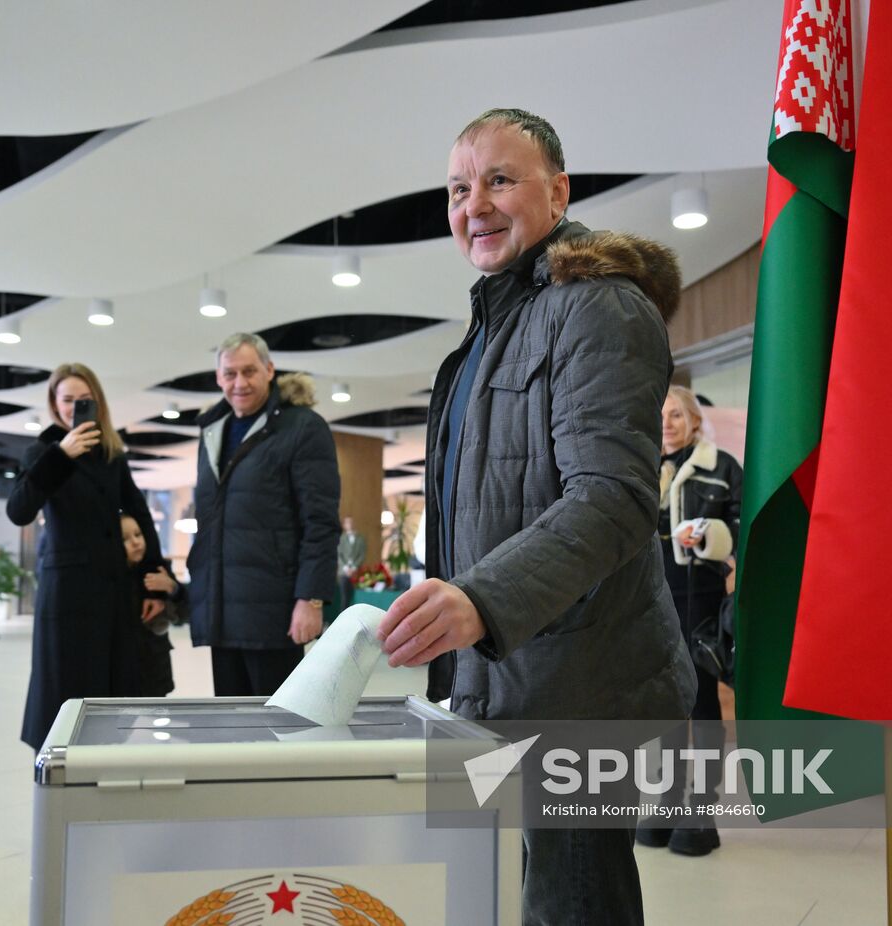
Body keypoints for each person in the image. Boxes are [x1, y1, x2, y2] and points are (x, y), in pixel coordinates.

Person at [377, 108, 695, 926]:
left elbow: (613, 499)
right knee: (548, 888)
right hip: (515, 671)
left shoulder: (599, 307)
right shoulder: (496, 325)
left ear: (558, 192)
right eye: (457, 188)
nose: (472, 204)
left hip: (586, 685)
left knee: (573, 900)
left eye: (498, 180)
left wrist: (482, 600)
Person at [7, 362, 163, 750]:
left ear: (98, 403)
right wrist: (61, 454)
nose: (75, 407)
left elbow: (140, 513)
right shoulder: (42, 451)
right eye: (68, 400)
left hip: (112, 590)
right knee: (63, 691)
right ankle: (61, 771)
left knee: (111, 692)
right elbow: (18, 511)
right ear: (54, 404)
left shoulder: (111, 454)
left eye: (84, 400)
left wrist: (153, 580)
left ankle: (103, 768)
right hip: (66, 594)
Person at [188, 332, 340, 697]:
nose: (239, 383)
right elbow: (210, 525)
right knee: (231, 732)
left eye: (249, 371)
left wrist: (311, 598)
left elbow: (320, 522)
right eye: (230, 374)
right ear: (218, 378)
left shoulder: (302, 427)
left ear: (269, 370)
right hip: (221, 612)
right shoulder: (212, 431)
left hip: (275, 613)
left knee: (278, 734)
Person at [636, 385, 743, 856]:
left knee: (700, 707)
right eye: (659, 415)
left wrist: (710, 533)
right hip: (649, 605)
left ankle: (701, 810)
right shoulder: (638, 469)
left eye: (676, 414)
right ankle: (665, 801)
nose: (667, 423)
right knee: (663, 707)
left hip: (698, 603)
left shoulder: (721, 467)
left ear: (694, 420)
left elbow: (743, 528)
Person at [121, 513, 184, 698]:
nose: (135, 542)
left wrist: (171, 588)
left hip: (155, 668)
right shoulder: (111, 582)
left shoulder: (157, 571)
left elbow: (184, 613)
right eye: (125, 539)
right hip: (125, 670)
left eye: (138, 534)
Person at [337, 516, 367, 610]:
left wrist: (354, 568)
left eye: (351, 522)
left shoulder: (360, 539)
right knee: (344, 597)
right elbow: (339, 555)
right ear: (344, 525)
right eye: (347, 522)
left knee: (355, 597)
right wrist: (346, 568)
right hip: (343, 572)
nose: (350, 524)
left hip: (356, 572)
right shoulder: (341, 538)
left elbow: (362, 555)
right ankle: (343, 619)